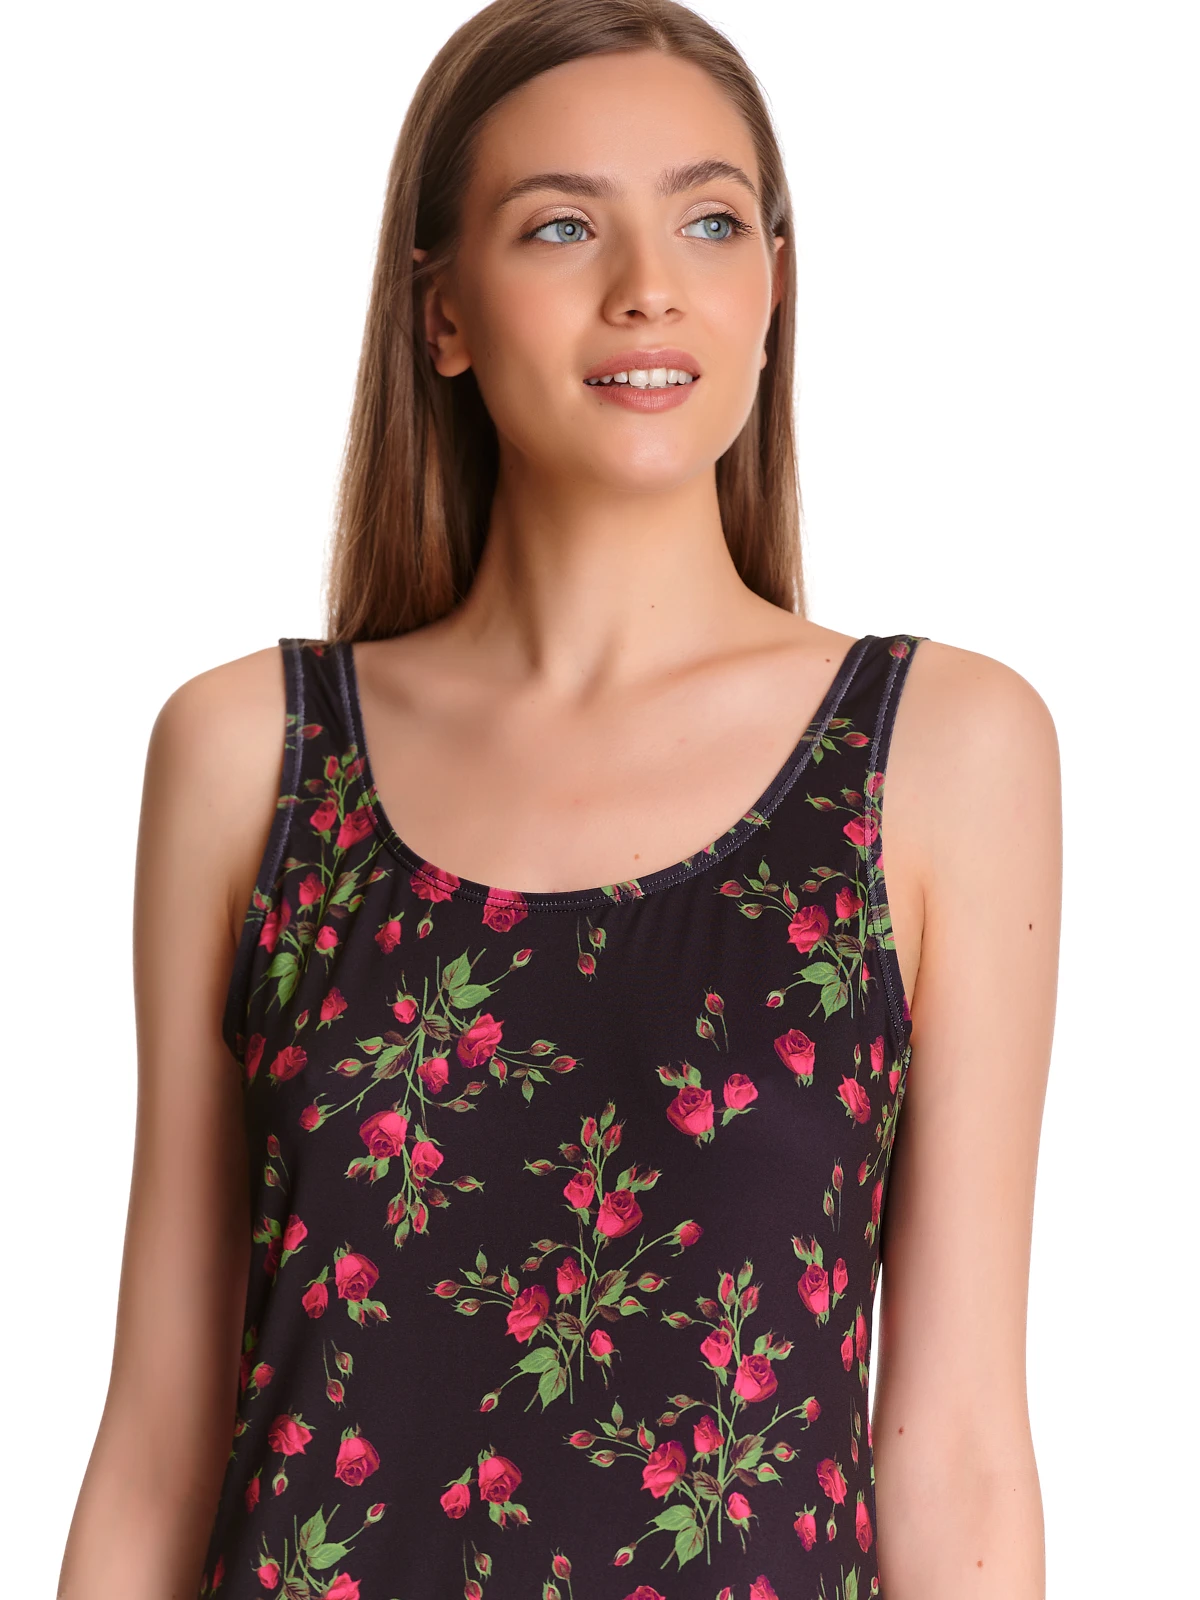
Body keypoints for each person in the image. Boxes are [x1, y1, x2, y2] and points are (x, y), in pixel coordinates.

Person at [57, 2, 1060, 1597]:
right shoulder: (252, 754)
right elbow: (160, 1443)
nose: (648, 283)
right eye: (563, 225)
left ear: (775, 288)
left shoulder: (941, 751)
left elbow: (957, 1455)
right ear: (443, 313)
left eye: (710, 220)